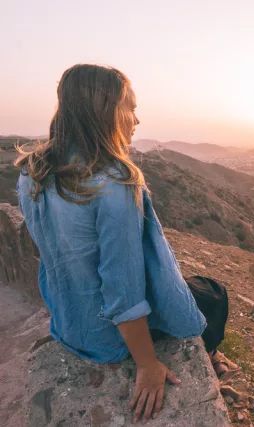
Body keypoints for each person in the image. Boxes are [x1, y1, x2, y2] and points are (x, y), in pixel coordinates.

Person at [14, 64, 237, 423]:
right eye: (130, 108)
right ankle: (209, 354)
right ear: (105, 110)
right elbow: (124, 291)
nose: (136, 120)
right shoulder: (114, 185)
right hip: (106, 339)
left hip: (68, 322)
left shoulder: (32, 173)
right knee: (212, 293)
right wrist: (147, 364)